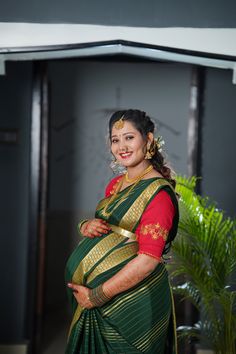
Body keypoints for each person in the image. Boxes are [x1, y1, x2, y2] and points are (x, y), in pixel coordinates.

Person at [65, 109, 179, 354]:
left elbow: (148, 261)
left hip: (132, 305)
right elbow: (112, 230)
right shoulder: (116, 185)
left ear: (148, 140)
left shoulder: (157, 194)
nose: (121, 146)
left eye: (129, 137)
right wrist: (86, 225)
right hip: (99, 300)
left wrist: (96, 296)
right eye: (116, 140)